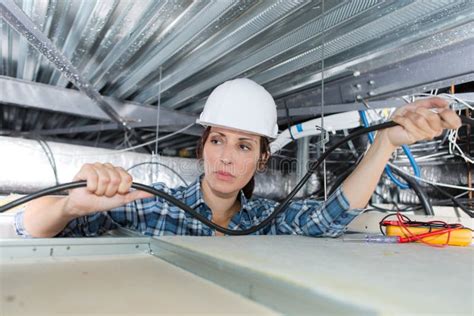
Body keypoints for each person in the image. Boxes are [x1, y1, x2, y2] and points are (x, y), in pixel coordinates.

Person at [15, 78, 461, 238]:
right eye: (218, 141)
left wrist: (384, 143)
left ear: (262, 159)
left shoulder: (269, 218)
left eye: (245, 145)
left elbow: (330, 218)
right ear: (203, 147)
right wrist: (71, 205)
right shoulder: (151, 204)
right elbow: (26, 227)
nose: (227, 158)